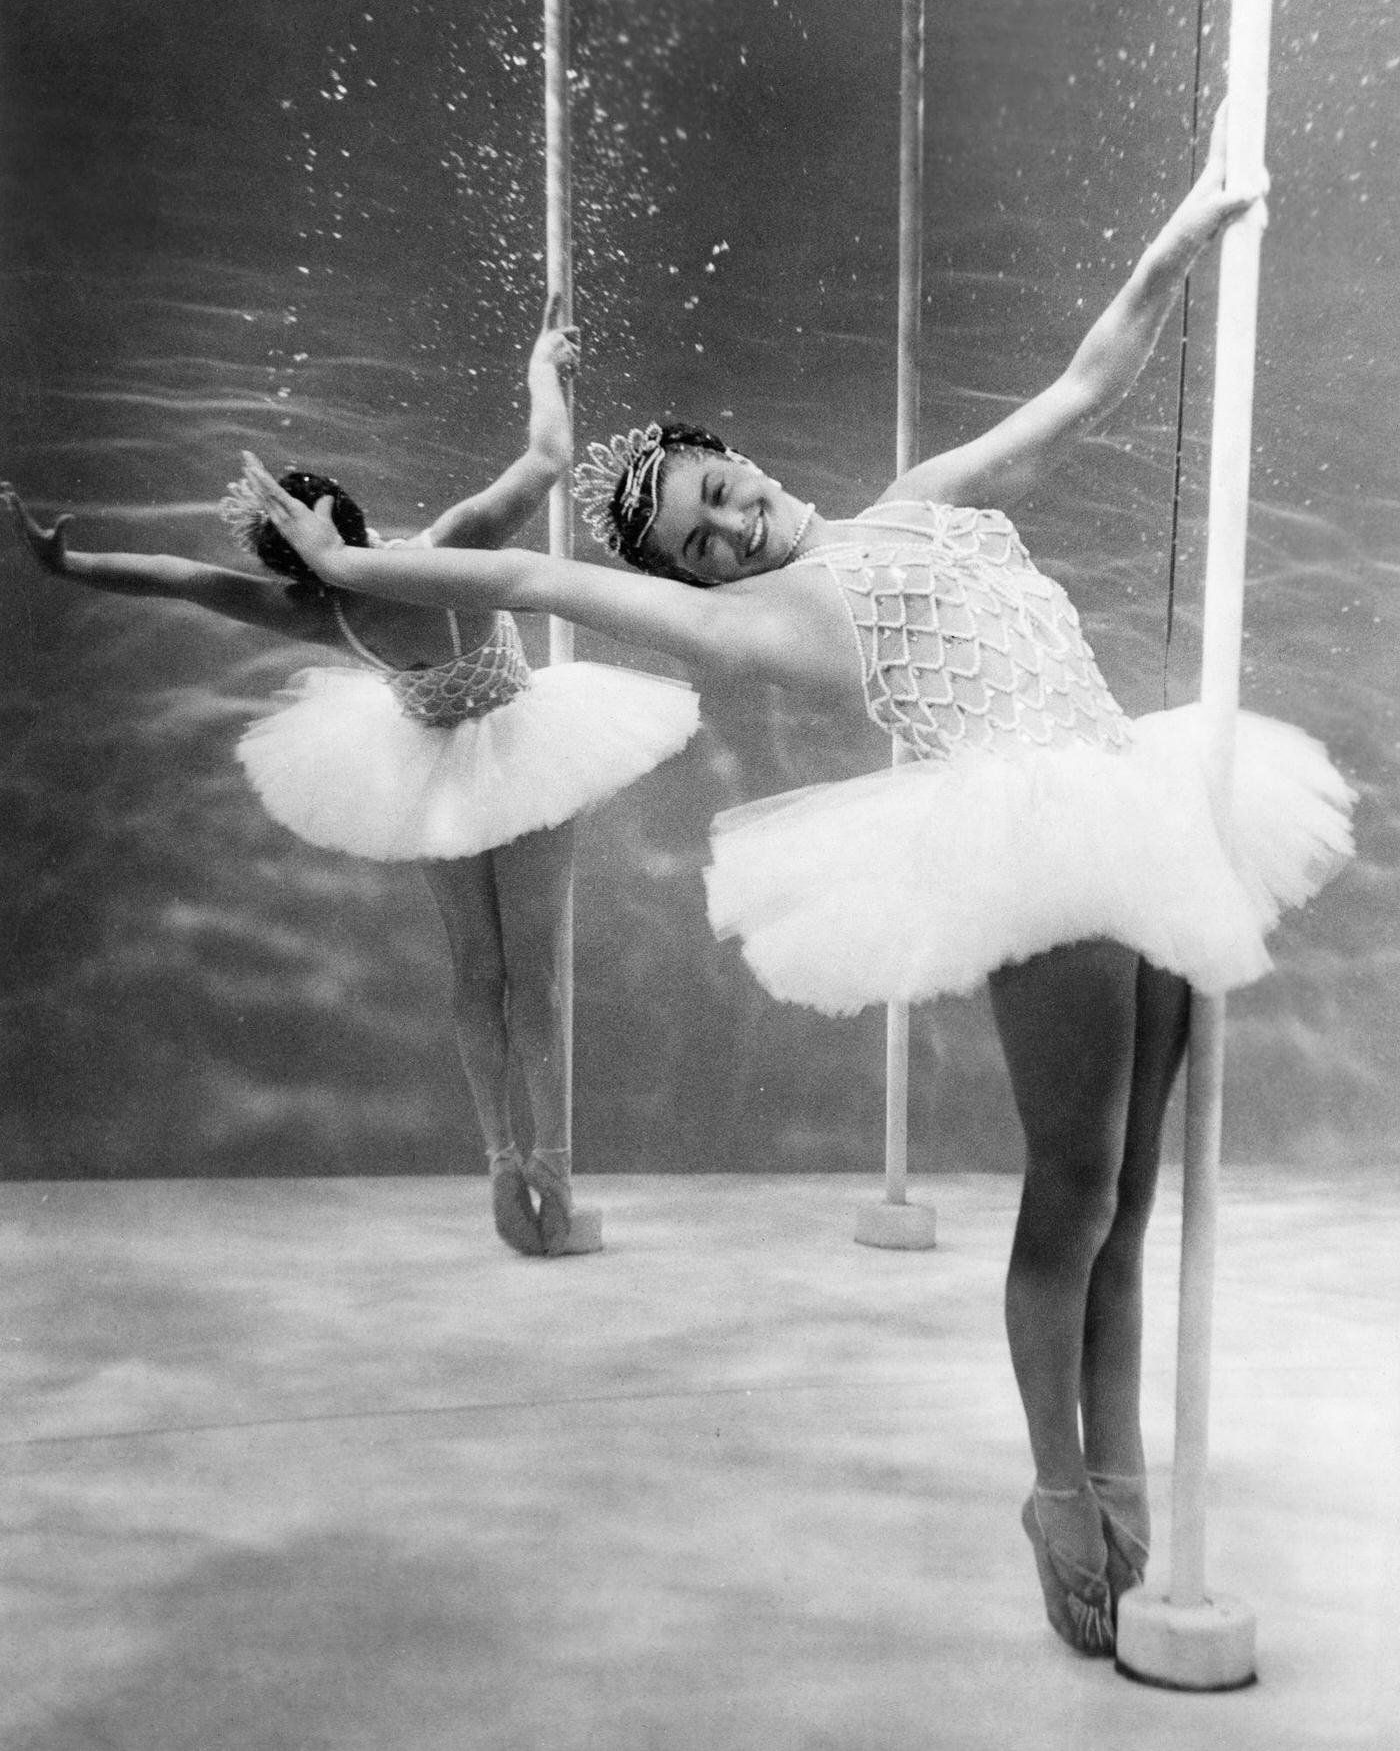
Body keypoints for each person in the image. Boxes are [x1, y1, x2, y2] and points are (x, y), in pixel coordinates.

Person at [234, 114, 1353, 1652]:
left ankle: (1119, 1468)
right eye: (699, 540)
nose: (727, 521)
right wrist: (351, 571)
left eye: (715, 486)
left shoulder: (925, 498)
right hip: (1046, 846)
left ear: (738, 456)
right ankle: (1056, 1490)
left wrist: (1178, 237)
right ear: (700, 581)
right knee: (1075, 1191)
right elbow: (526, 575)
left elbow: (1083, 388)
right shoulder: (766, 616)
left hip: (1140, 797)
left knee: (1132, 1194)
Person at [2, 301, 700, 1259]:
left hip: (445, 768)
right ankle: (547, 1166)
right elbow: (546, 459)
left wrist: (69, 564)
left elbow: (178, 577)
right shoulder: (446, 547)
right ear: (350, 519)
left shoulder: (314, 614)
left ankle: (503, 1154)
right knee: (528, 977)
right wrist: (544, 364)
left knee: (480, 973)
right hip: (518, 751)